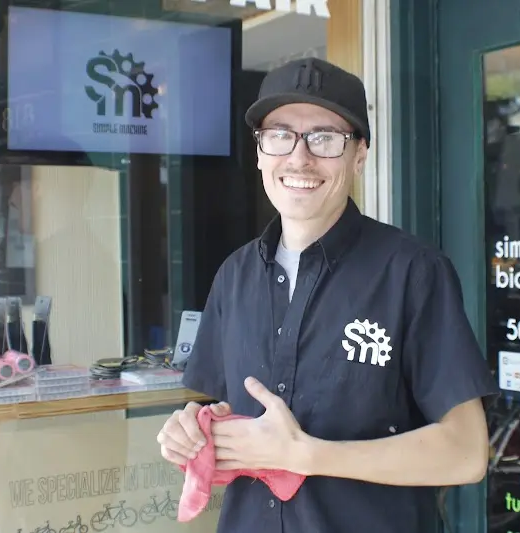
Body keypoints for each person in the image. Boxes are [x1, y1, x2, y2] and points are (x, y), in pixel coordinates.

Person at [157, 57, 499, 533]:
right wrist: (195, 431)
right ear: (259, 152)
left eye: (325, 137)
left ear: (359, 154)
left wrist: (307, 455)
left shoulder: (412, 272)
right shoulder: (233, 276)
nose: (299, 158)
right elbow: (234, 420)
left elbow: (466, 454)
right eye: (280, 135)